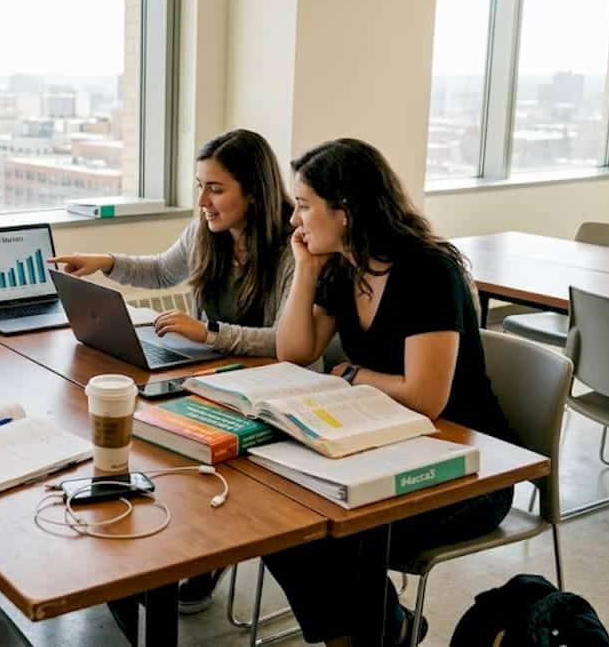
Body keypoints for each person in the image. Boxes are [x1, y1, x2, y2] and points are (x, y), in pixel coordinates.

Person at [271, 138, 517, 647]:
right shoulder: (344, 264)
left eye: (304, 205)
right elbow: (294, 352)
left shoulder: (428, 271)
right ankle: (388, 630)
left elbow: (426, 397)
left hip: (470, 470)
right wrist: (306, 269)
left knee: (336, 535)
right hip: (387, 448)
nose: (295, 220)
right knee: (282, 523)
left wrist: (353, 375)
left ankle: (375, 635)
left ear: (346, 210)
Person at [53, 128, 298, 614]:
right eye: (199, 185)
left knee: (169, 444)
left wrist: (208, 335)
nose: (203, 200)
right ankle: (161, 554)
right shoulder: (207, 231)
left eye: (216, 188)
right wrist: (105, 262)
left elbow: (289, 344)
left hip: (274, 385)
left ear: (254, 190)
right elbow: (163, 271)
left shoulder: (293, 247)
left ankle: (207, 550)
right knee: (147, 434)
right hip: (215, 375)